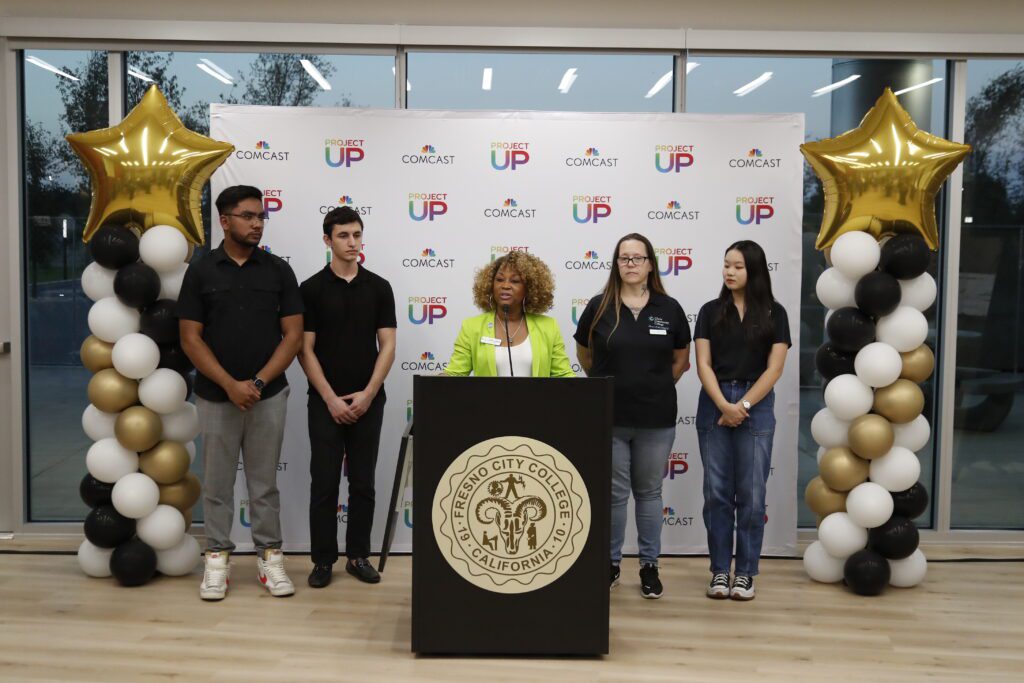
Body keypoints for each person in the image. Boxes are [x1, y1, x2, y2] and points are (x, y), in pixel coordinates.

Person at [178, 185, 304, 601]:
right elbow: (191, 338)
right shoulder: (201, 271)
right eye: (248, 216)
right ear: (225, 220)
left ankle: (271, 560)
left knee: (263, 483)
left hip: (268, 395)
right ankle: (217, 561)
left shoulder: (278, 271)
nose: (257, 223)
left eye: (261, 216)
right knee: (216, 484)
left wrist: (258, 383)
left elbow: (293, 335)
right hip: (217, 395)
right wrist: (231, 385)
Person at [574, 233, 691, 599]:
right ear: (616, 264)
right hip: (609, 416)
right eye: (624, 258)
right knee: (614, 494)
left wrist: (651, 387)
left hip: (656, 418)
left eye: (637, 258)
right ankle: (610, 564)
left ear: (650, 264)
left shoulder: (668, 308)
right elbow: (585, 355)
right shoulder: (598, 306)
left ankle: (649, 566)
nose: (630, 264)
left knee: (650, 493)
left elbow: (680, 361)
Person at [297, 206, 397, 588]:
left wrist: (369, 394)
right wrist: (331, 399)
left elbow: (387, 345)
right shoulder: (310, 289)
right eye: (343, 235)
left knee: (363, 483)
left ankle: (358, 556)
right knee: (323, 483)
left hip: (369, 401)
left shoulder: (379, 287)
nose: (352, 242)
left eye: (357, 234)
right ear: (327, 240)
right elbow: (305, 350)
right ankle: (323, 560)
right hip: (325, 403)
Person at [694, 240, 790, 601]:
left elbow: (775, 368)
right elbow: (703, 363)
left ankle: (746, 573)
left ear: (755, 270)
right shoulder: (709, 311)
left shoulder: (774, 313)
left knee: (751, 495)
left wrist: (743, 405)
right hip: (714, 401)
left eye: (738, 266)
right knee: (716, 494)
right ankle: (720, 571)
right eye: (726, 265)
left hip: (757, 402)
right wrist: (723, 403)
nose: (729, 272)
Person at [443, 251, 574, 378]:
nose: (505, 286)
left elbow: (563, 375)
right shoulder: (472, 327)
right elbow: (455, 374)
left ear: (530, 288)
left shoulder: (548, 327)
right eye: (499, 279)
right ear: (490, 285)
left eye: (515, 281)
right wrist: (429, 383)